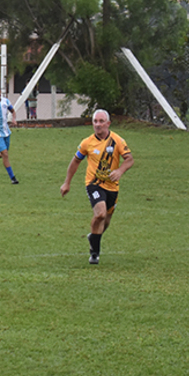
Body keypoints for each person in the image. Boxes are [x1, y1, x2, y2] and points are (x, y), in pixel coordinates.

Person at [59, 109, 134, 265]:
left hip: (112, 187)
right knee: (100, 214)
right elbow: (75, 161)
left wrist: (120, 171)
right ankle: (95, 253)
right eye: (95, 122)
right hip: (93, 184)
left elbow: (129, 159)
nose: (98, 125)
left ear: (108, 123)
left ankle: (93, 237)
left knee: (106, 221)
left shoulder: (117, 141)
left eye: (101, 121)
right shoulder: (87, 142)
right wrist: (67, 182)